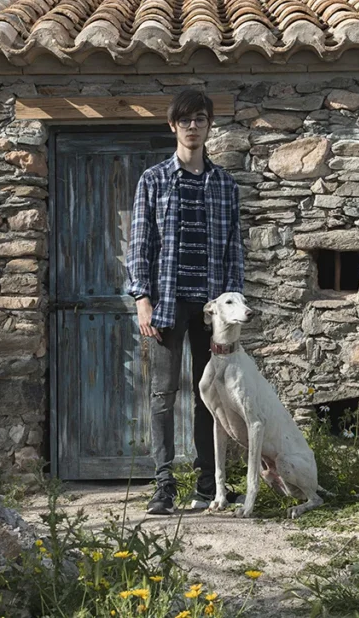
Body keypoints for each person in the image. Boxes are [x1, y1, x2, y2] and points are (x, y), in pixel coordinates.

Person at [125, 89, 245, 515]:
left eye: (200, 119)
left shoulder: (225, 185)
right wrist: (142, 298)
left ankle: (208, 484)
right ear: (173, 126)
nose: (193, 126)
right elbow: (140, 244)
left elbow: (234, 251)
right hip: (167, 304)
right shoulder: (154, 179)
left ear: (209, 125)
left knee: (209, 395)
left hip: (211, 311)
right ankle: (163, 486)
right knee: (162, 393)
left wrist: (232, 310)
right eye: (185, 120)